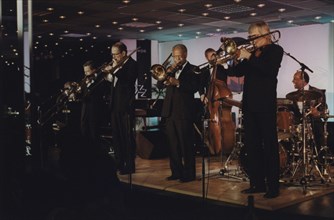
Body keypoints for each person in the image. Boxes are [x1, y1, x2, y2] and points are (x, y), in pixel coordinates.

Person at [231, 21, 284, 198]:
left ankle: (273, 187)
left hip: (265, 106)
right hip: (250, 106)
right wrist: (235, 57)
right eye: (250, 37)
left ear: (266, 34)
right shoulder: (252, 53)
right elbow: (237, 72)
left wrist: (249, 57)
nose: (252, 40)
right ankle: (257, 183)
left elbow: (269, 71)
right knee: (252, 147)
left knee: (269, 147)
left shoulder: (276, 51)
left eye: (254, 37)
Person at [160, 44, 199, 182]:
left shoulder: (193, 69)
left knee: (186, 145)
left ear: (185, 54)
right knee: (173, 145)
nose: (177, 59)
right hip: (170, 112)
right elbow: (159, 85)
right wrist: (166, 76)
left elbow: (194, 88)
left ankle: (189, 174)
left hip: (183, 112)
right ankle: (176, 172)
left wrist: (178, 83)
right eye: (175, 56)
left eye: (179, 56)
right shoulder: (171, 69)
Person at [104, 42, 138, 175]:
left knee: (127, 137)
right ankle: (119, 163)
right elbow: (114, 83)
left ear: (124, 53)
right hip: (115, 106)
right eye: (112, 54)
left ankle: (129, 165)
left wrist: (115, 69)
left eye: (116, 54)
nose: (114, 57)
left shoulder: (132, 64)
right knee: (117, 137)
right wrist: (109, 74)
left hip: (125, 107)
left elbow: (128, 80)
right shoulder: (116, 65)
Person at [289, 70, 327, 153]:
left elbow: (325, 111)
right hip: (300, 126)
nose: (293, 81)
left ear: (303, 80)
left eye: (295, 79)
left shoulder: (318, 93)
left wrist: (317, 113)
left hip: (314, 125)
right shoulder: (294, 95)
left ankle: (319, 160)